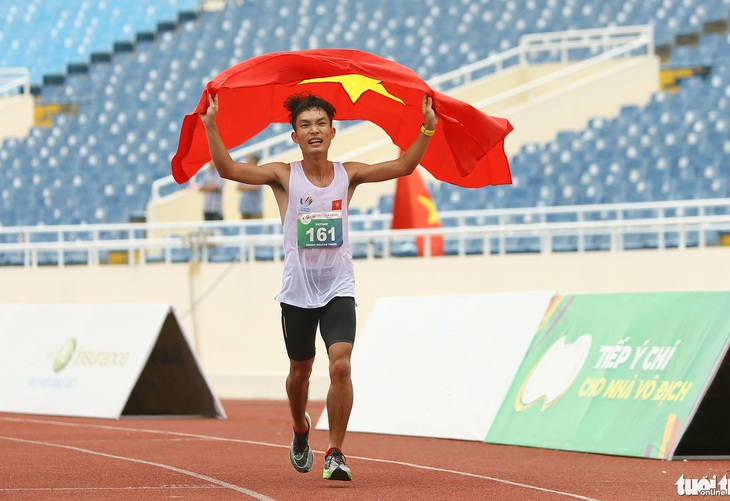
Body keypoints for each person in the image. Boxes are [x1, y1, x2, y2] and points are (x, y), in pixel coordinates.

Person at [200, 90, 437, 481]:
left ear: (332, 131)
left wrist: (427, 128)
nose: (314, 131)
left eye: (320, 124)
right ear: (295, 135)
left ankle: (337, 452)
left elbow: (404, 166)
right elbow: (228, 170)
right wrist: (212, 127)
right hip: (297, 292)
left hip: (338, 287)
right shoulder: (282, 175)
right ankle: (299, 429)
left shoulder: (349, 174)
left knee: (341, 366)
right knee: (300, 373)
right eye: (305, 125)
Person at [238, 153, 264, 219]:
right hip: (245, 209)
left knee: (257, 228)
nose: (246, 162)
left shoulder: (260, 173)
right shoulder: (244, 173)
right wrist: (249, 186)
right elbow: (239, 187)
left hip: (255, 210)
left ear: (254, 162)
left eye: (248, 160)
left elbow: (255, 187)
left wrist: (245, 187)